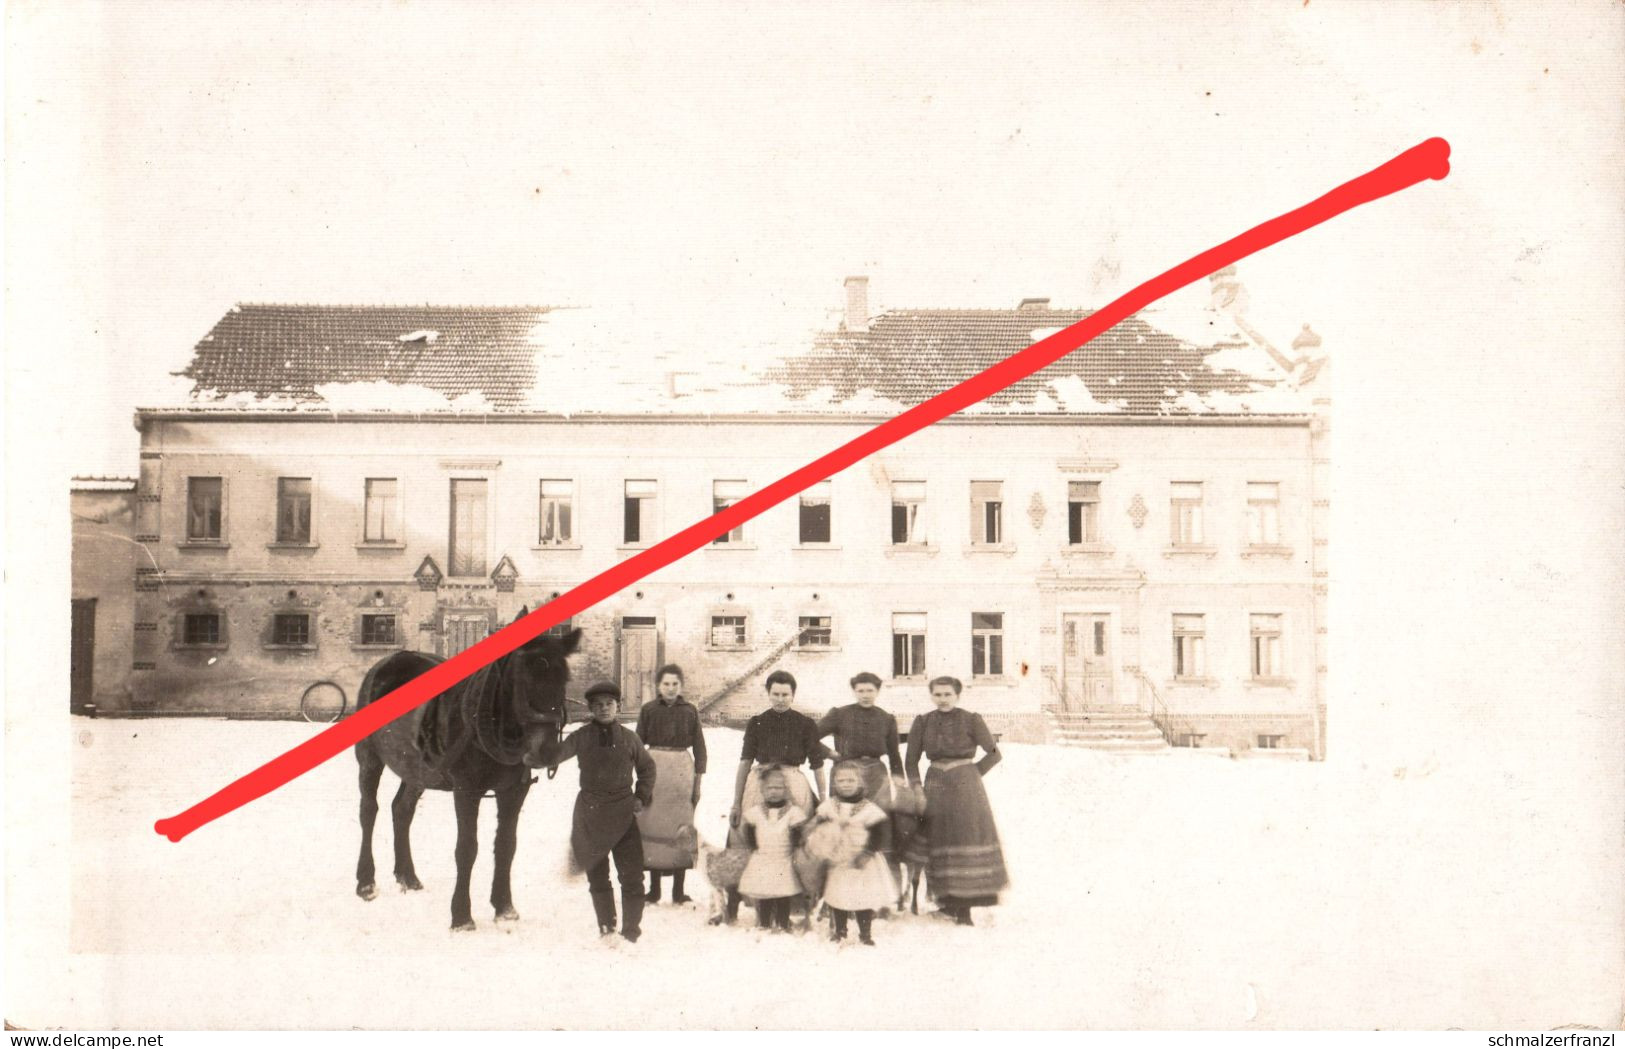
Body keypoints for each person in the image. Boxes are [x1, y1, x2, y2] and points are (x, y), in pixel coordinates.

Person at [542, 681, 657, 942]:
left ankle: (630, 932)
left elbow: (647, 768)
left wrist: (641, 796)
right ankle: (606, 927)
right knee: (598, 876)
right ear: (591, 709)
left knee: (632, 876)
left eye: (609, 704)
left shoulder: (630, 738)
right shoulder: (581, 736)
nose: (604, 709)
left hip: (623, 814)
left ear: (618, 706)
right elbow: (556, 755)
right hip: (590, 815)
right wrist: (544, 741)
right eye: (598, 705)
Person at [711, 670, 826, 926]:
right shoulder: (757, 722)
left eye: (786, 694)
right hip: (759, 783)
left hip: (793, 784)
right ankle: (736, 903)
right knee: (744, 835)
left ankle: (797, 903)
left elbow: (817, 764)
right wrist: (736, 801)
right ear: (768, 693)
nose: (780, 699)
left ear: (793, 695)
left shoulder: (805, 724)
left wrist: (824, 799)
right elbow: (744, 762)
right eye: (775, 694)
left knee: (797, 838)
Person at [903, 676, 1008, 926]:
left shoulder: (971, 719)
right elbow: (911, 761)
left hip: (966, 788)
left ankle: (966, 911)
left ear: (957, 695)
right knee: (939, 839)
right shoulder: (923, 721)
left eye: (947, 694)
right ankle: (948, 904)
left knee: (965, 837)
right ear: (931, 696)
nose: (942, 699)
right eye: (937, 695)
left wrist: (970, 774)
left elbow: (994, 754)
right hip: (936, 784)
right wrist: (916, 788)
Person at [816, 671, 904, 870]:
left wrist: (899, 779)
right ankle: (839, 869)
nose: (865, 695)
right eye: (861, 690)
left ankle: (877, 872)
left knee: (877, 821)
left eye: (870, 690)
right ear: (854, 691)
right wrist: (830, 753)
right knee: (844, 820)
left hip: (876, 776)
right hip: (847, 773)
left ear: (878, 691)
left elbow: (894, 753)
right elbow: (809, 736)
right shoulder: (840, 714)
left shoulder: (886, 718)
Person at [635, 663, 707, 906]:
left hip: (681, 773)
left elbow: (700, 750)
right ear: (658, 686)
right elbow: (636, 746)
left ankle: (679, 891)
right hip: (655, 771)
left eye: (675, 684)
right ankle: (653, 890)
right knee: (654, 826)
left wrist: (697, 783)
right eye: (666, 683)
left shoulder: (690, 711)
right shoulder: (648, 710)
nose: (670, 688)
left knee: (680, 828)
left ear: (681, 686)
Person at [813, 760, 897, 945]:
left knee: (862, 897)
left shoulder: (868, 808)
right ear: (835, 783)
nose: (846, 784)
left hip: (862, 862)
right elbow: (819, 827)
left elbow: (879, 833)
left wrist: (867, 853)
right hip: (839, 860)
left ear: (860, 782)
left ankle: (865, 934)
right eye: (841, 781)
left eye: (850, 780)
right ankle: (840, 931)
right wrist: (825, 844)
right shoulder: (829, 806)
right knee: (838, 895)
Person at [736, 768, 809, 933]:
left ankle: (783, 923)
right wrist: (753, 846)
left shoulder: (793, 813)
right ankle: (764, 922)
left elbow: (798, 833)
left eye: (779, 788)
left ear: (786, 790)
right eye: (770, 788)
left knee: (783, 893)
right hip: (763, 858)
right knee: (764, 892)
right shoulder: (756, 812)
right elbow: (748, 830)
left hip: (784, 857)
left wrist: (796, 846)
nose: (774, 792)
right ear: (762, 790)